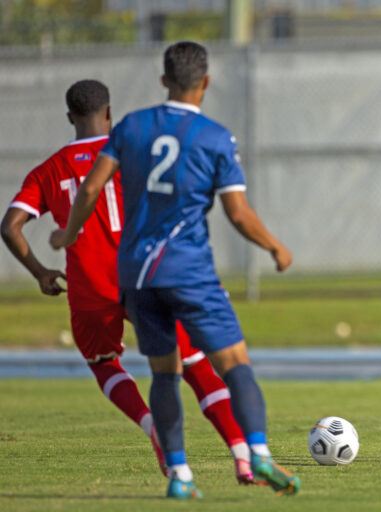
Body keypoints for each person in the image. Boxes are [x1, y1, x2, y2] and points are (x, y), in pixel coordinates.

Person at [49, 42, 299, 499]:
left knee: (165, 374)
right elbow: (238, 214)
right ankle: (257, 452)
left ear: (163, 80)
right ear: (205, 83)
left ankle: (181, 475)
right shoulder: (215, 136)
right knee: (235, 363)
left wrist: (67, 235)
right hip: (190, 272)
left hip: (138, 277)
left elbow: (90, 189)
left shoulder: (131, 127)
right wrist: (275, 246)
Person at [0, 79, 259, 485]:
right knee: (193, 365)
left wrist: (41, 272)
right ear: (109, 113)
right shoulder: (130, 153)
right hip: (144, 275)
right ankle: (243, 456)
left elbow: (10, 226)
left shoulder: (48, 170)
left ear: (70, 117)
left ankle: (150, 425)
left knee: (104, 363)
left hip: (88, 287)